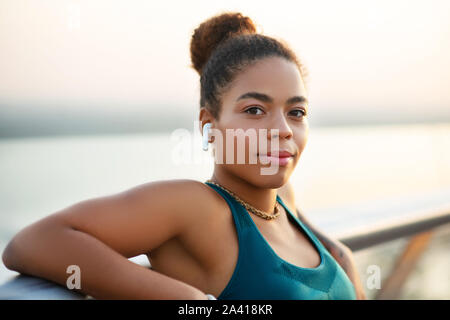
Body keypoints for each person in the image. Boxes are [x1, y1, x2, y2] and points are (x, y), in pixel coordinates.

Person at [2, 11, 366, 300]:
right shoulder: (198, 208)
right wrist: (188, 298)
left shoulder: (283, 201)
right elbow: (30, 244)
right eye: (255, 110)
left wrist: (340, 254)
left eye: (296, 112)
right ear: (210, 124)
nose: (283, 129)